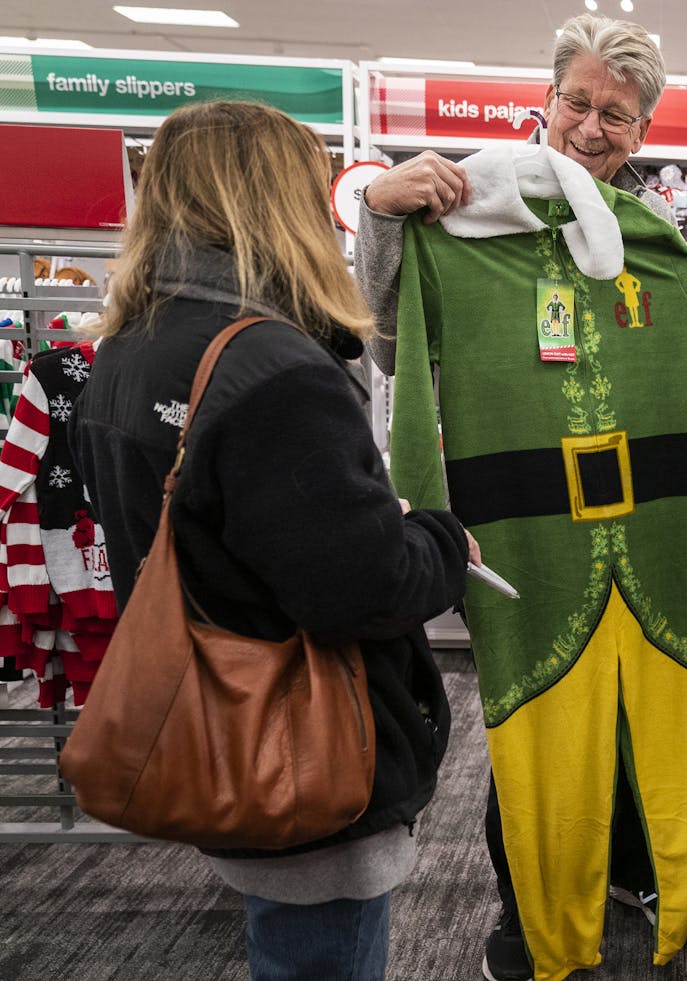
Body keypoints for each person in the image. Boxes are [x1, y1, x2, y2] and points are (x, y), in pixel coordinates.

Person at [354, 14, 687, 981]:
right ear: (546, 100)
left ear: (643, 133)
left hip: (651, 526)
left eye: (619, 113)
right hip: (522, 522)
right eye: (580, 103)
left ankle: (649, 878)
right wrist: (382, 220)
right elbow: (390, 341)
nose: (593, 127)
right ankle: (529, 909)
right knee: (533, 707)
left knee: (646, 713)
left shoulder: (660, 242)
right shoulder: (467, 212)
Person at [70, 100, 478, 981]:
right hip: (303, 745)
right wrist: (439, 540)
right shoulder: (273, 370)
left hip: (209, 718)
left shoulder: (125, 348)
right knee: (322, 955)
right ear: (275, 199)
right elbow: (358, 585)